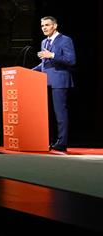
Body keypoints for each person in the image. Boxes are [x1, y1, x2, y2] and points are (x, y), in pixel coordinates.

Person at [34, 16, 76, 152]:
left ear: (55, 26)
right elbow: (44, 64)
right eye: (42, 26)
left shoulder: (65, 40)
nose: (44, 28)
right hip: (44, 81)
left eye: (47, 25)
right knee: (47, 114)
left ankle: (62, 142)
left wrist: (51, 55)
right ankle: (50, 140)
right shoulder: (44, 42)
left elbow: (71, 60)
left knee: (60, 113)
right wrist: (27, 71)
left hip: (59, 81)